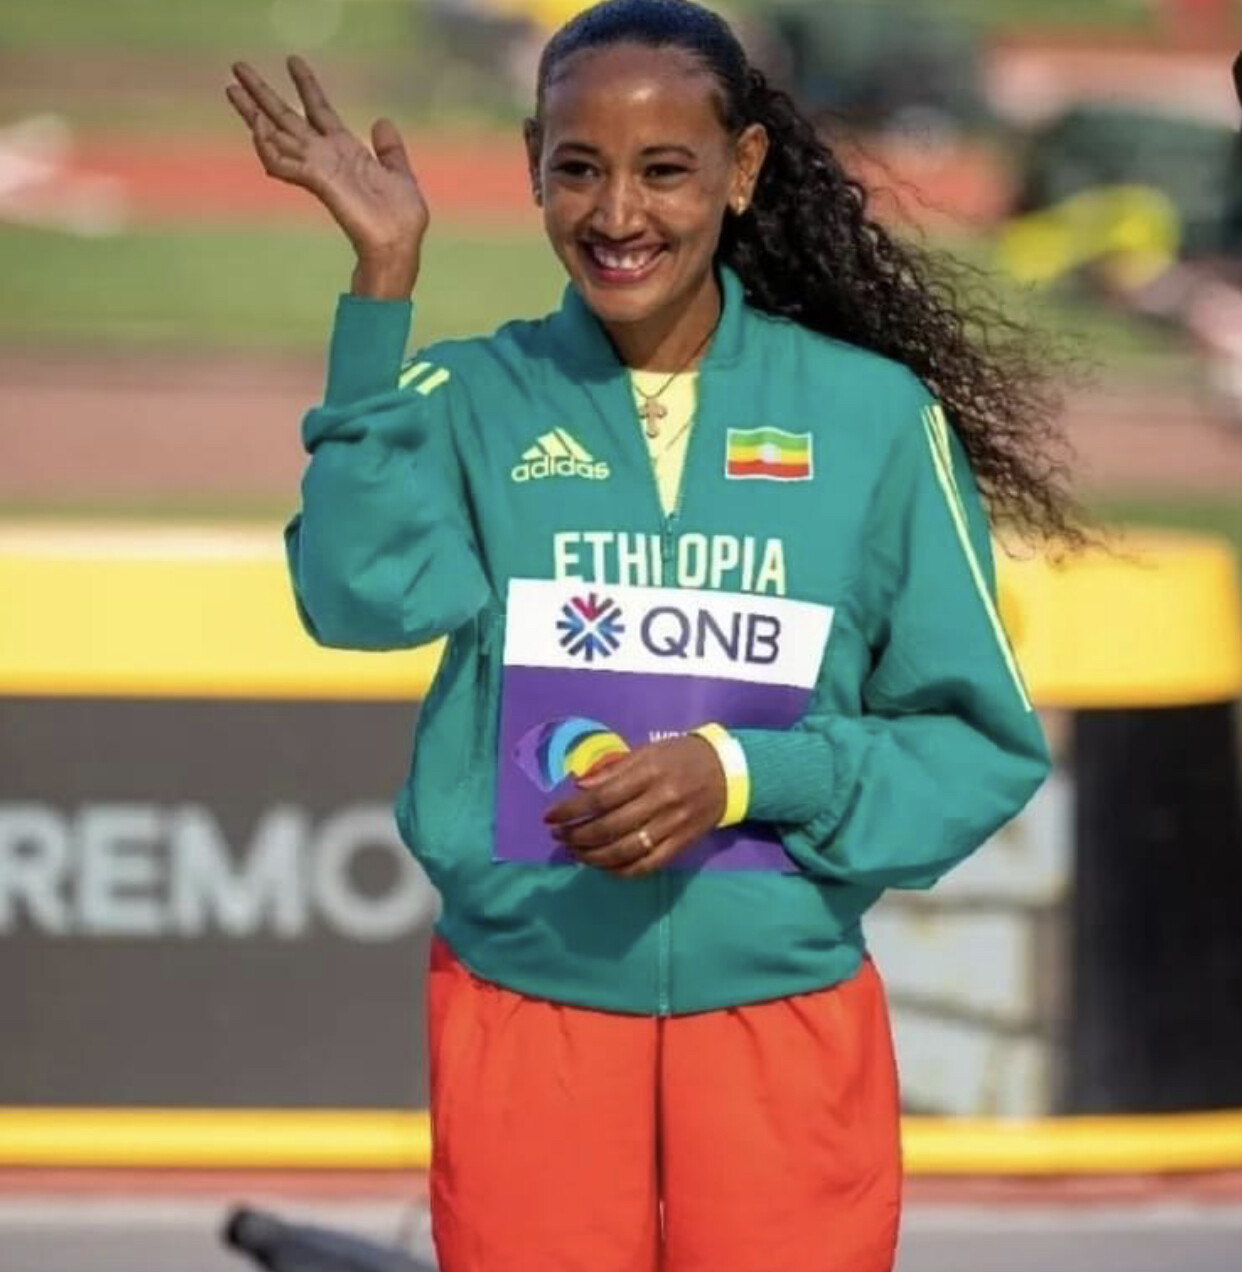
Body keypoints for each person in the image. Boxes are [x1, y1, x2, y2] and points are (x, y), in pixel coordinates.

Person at [226, 2, 1075, 1268]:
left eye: (665, 169)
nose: (618, 213)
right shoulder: (472, 396)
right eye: (579, 167)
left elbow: (973, 744)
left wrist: (743, 772)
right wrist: (382, 285)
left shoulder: (873, 418)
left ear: (741, 170)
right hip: (529, 1020)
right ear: (534, 164)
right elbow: (354, 600)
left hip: (781, 1029)